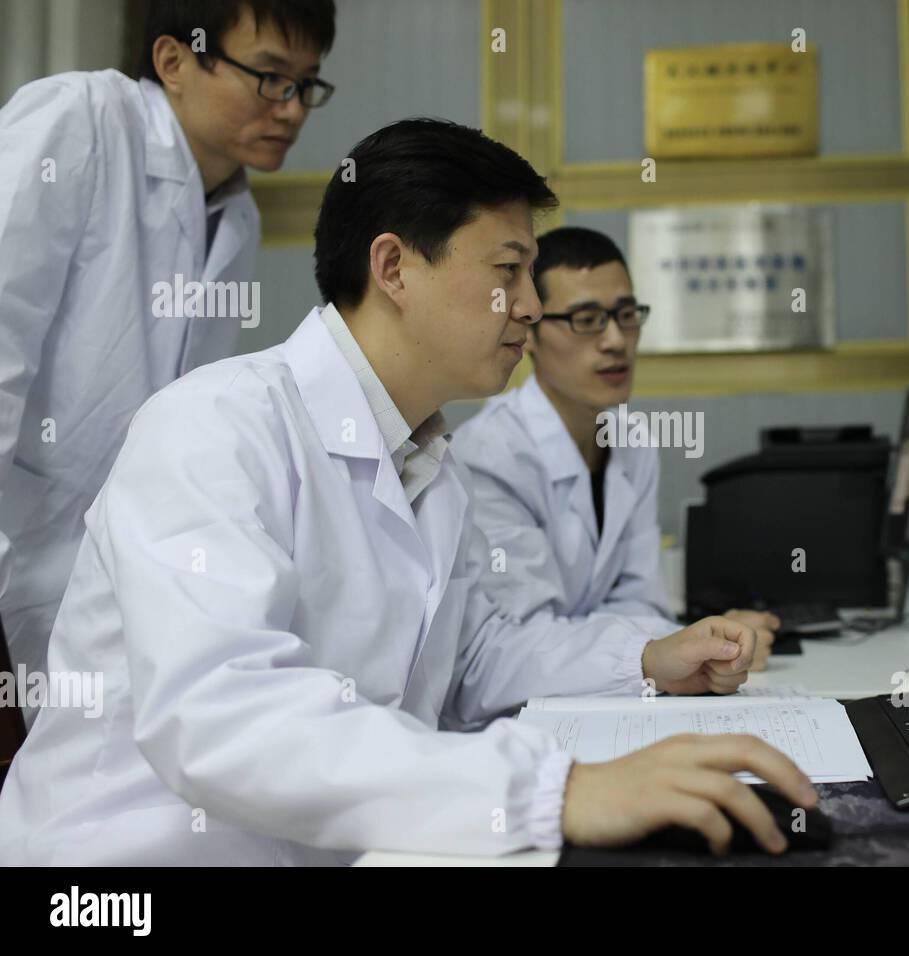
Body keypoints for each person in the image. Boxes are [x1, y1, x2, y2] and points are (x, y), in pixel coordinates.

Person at [0, 118, 815, 865]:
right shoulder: (215, 427)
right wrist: (552, 791)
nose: (531, 309)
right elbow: (220, 715)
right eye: (510, 271)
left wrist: (643, 658)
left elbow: (473, 659)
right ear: (393, 266)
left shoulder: (426, 456)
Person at [0, 0, 336, 722]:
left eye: (307, 83)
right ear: (174, 60)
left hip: (114, 572)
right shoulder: (80, 121)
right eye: (271, 77)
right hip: (20, 549)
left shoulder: (236, 217)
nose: (293, 109)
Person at [455, 227, 779, 669]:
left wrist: (704, 640)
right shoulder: (489, 456)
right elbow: (524, 638)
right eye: (586, 320)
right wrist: (677, 645)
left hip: (607, 697)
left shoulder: (633, 439)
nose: (615, 340)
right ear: (529, 328)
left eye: (626, 314)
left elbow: (640, 602)